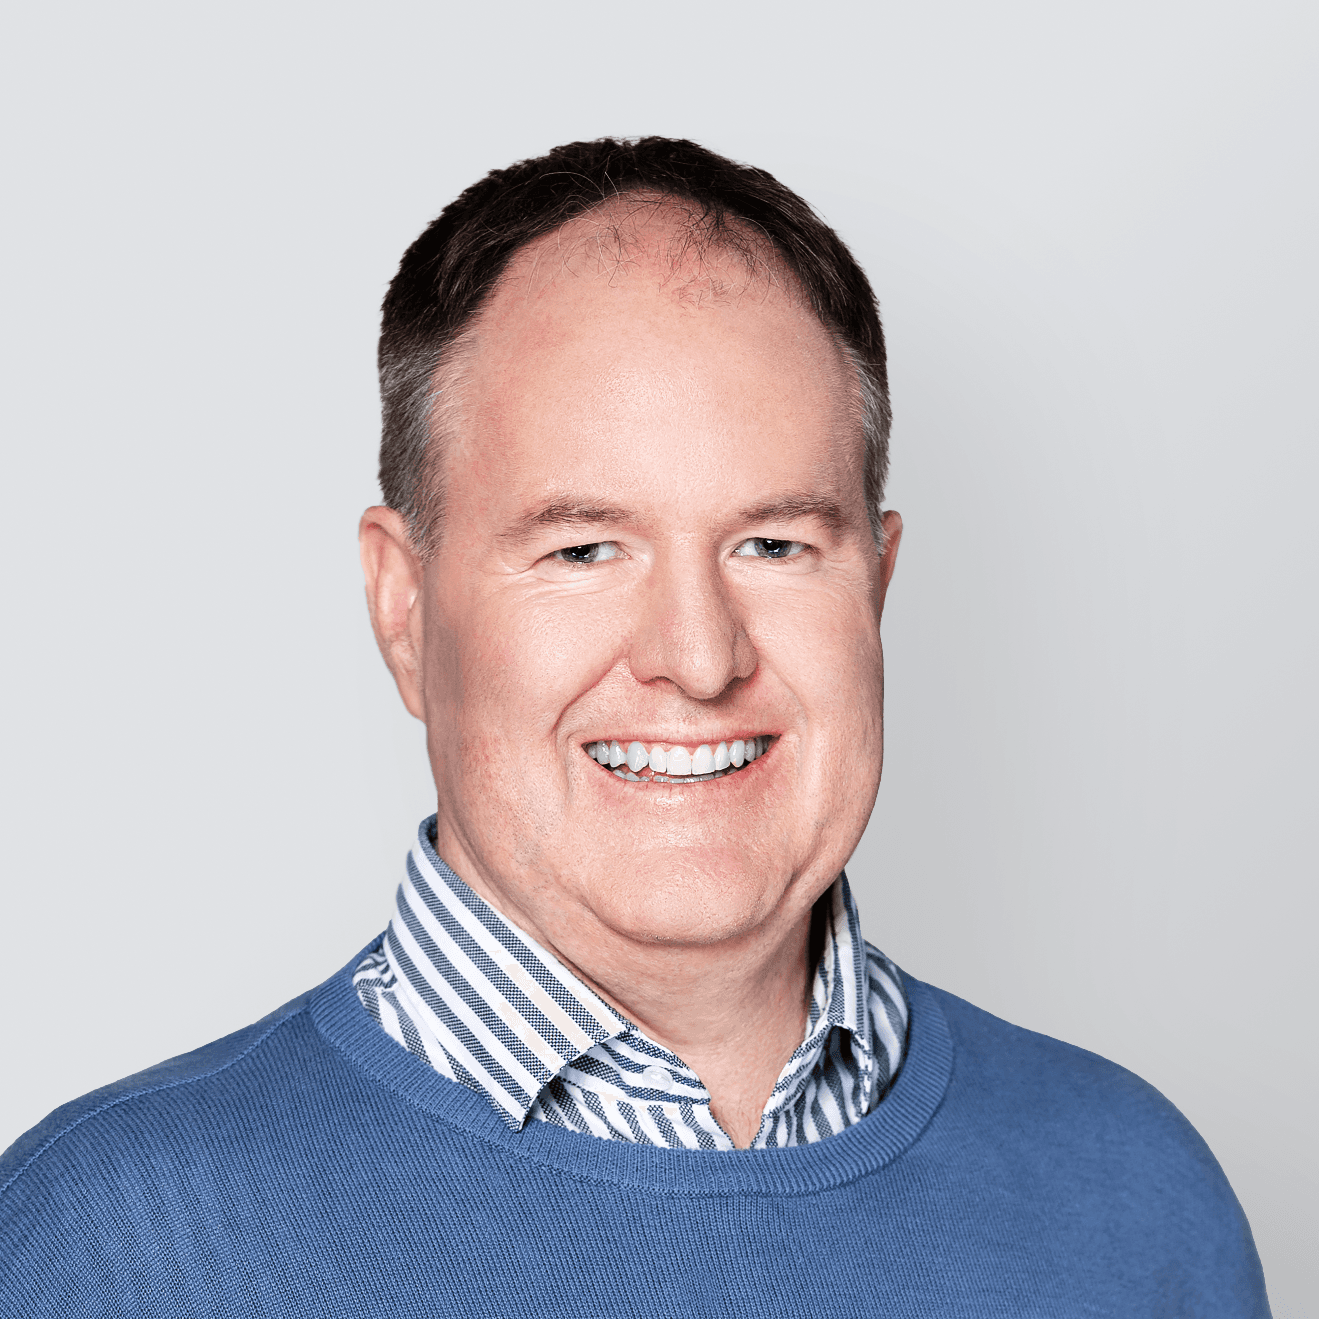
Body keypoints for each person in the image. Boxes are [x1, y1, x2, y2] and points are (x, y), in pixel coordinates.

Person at [0, 137, 1269, 1316]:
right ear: (404, 609)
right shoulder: (112, 1243)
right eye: (582, 548)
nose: (698, 658)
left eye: (773, 543)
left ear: (875, 586)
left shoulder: (1136, 1196)